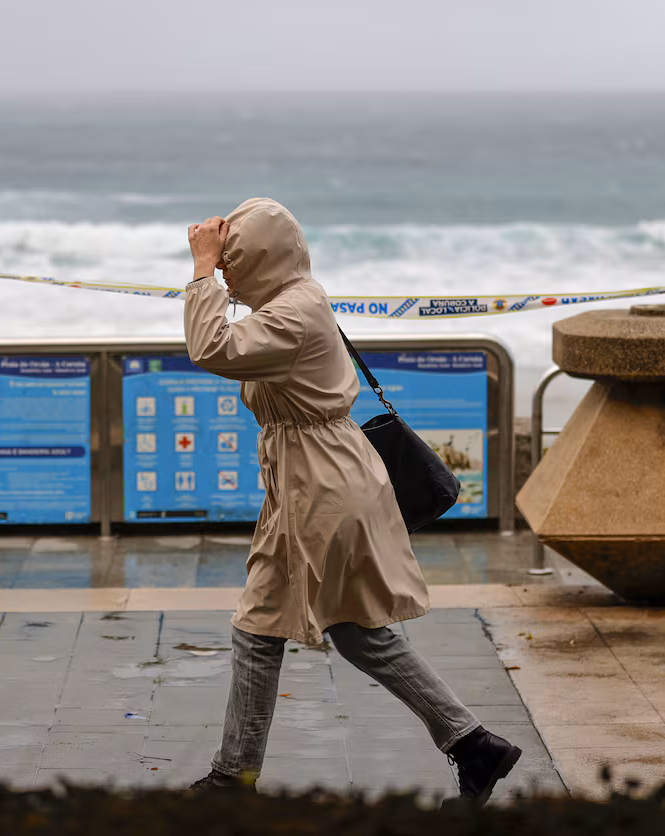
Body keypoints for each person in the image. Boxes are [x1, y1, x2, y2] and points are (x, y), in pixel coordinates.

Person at [182, 198, 521, 803]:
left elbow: (211, 349)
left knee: (329, 628)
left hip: (325, 486)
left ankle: (235, 777)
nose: (227, 271)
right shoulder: (291, 299)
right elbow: (231, 338)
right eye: (224, 260)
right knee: (301, 628)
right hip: (307, 481)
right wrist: (216, 272)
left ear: (263, 259)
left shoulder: (294, 313)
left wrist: (202, 269)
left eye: (235, 259)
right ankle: (472, 744)